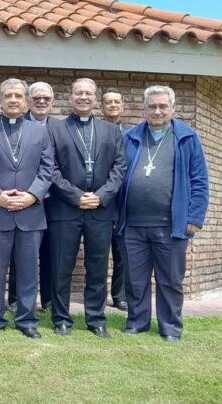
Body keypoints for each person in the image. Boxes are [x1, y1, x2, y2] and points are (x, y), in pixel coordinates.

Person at [117, 85, 208, 343]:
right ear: (144, 109)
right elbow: (118, 175)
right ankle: (137, 322)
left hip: (171, 225)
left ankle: (170, 328)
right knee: (135, 280)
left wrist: (194, 218)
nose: (157, 111)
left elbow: (199, 180)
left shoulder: (188, 138)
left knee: (170, 281)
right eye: (152, 106)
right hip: (133, 224)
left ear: (172, 108)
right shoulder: (130, 137)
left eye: (162, 106)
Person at [0, 79, 53, 339]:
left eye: (19, 96)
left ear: (26, 101)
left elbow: (47, 170)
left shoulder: (40, 132)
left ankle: (27, 319)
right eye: (8, 95)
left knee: (29, 270)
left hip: (30, 214)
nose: (14, 100)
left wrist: (32, 196)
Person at [47, 78, 126, 338]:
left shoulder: (111, 131)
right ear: (70, 97)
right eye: (78, 93)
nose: (83, 97)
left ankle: (96, 319)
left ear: (95, 98)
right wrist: (76, 195)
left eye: (88, 93)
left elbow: (119, 168)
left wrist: (101, 196)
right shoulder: (55, 129)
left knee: (98, 266)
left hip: (100, 210)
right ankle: (61, 319)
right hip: (65, 209)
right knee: (61, 267)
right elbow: (51, 169)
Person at [25, 81, 60, 311]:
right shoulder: (18, 123)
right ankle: (17, 299)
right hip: (24, 199)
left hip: (55, 200)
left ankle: (47, 299)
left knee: (51, 250)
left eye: (46, 98)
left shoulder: (60, 128)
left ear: (52, 102)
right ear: (29, 101)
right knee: (23, 252)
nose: (41, 102)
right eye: (37, 98)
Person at [101, 87, 132, 312]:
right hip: (101, 202)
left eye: (116, 102)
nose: (112, 105)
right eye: (108, 102)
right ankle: (97, 295)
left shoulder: (132, 136)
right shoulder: (96, 132)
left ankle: (120, 296)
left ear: (122, 106)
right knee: (99, 253)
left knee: (122, 253)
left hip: (125, 203)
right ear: (101, 107)